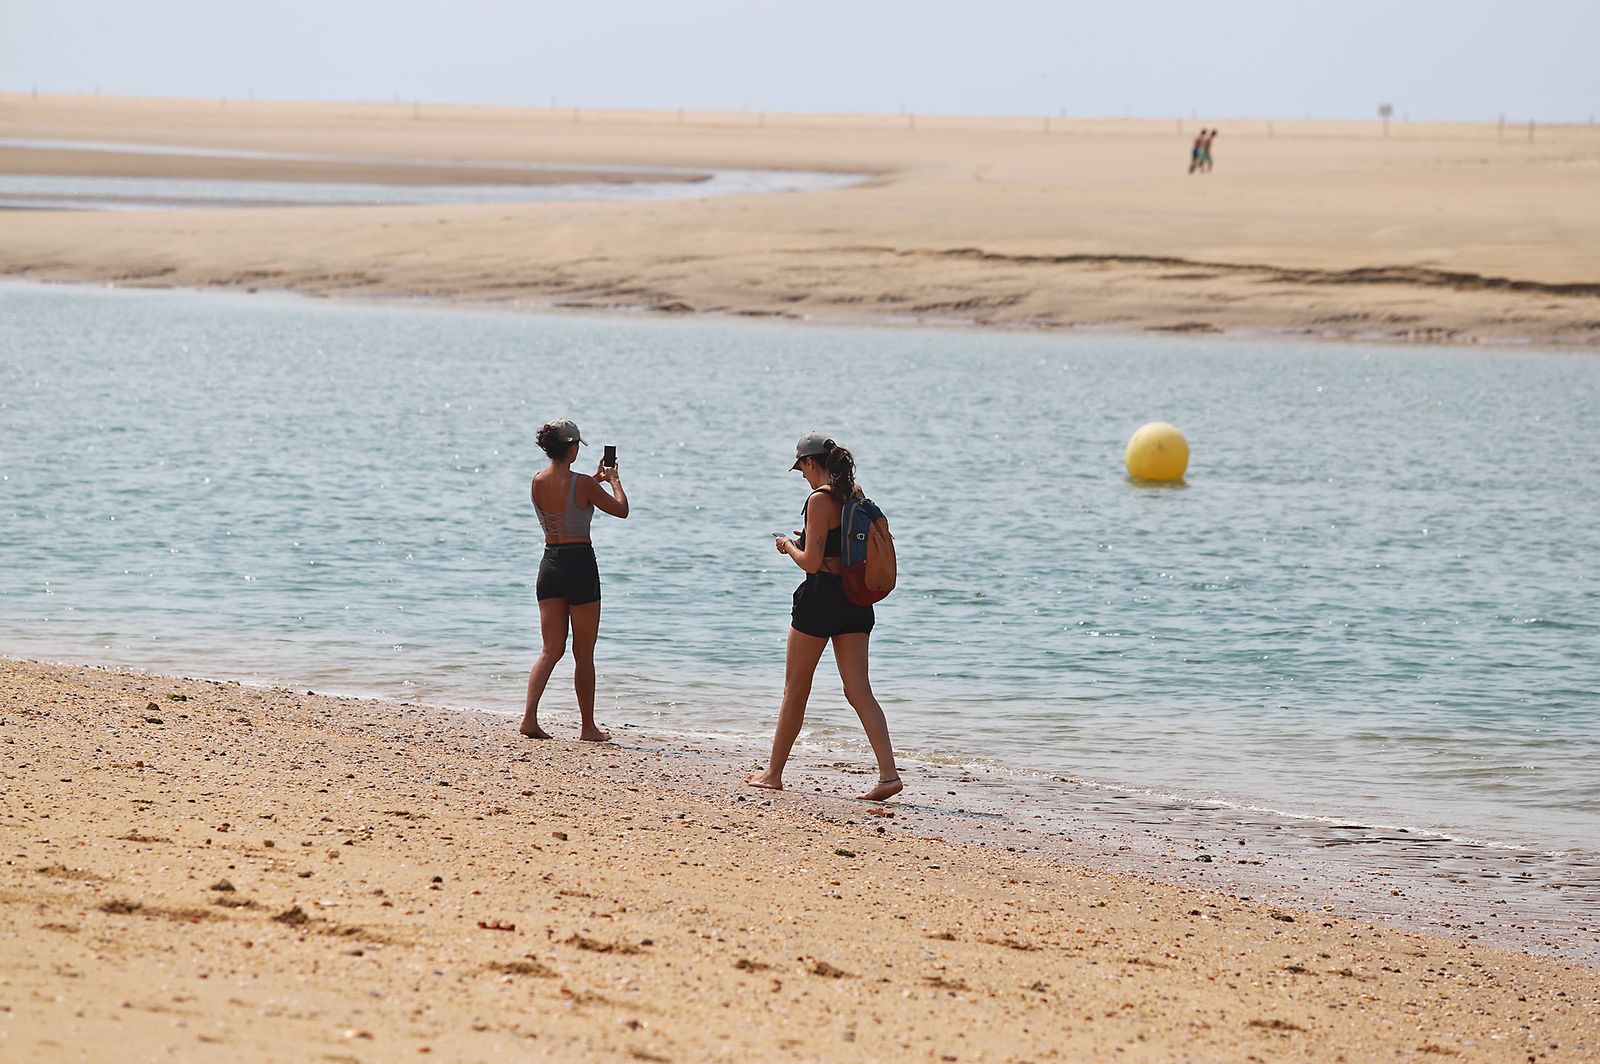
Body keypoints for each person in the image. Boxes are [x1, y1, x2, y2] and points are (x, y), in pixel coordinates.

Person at [746, 433, 902, 802]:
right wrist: (810, 541)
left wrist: (787, 546)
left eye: (800, 467)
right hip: (855, 599)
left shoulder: (818, 499)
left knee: (795, 689)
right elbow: (843, 543)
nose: (800, 474)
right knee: (859, 689)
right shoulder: (854, 491)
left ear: (811, 463)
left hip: (821, 599)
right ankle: (888, 774)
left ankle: (773, 774)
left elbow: (812, 563)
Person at [519, 418, 628, 741]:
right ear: (572, 447)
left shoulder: (538, 480)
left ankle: (529, 718)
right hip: (579, 564)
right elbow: (621, 509)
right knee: (584, 652)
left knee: (550, 649)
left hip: (549, 563)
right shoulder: (583, 484)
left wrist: (593, 481)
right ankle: (588, 727)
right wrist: (613, 480)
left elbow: (568, 500)